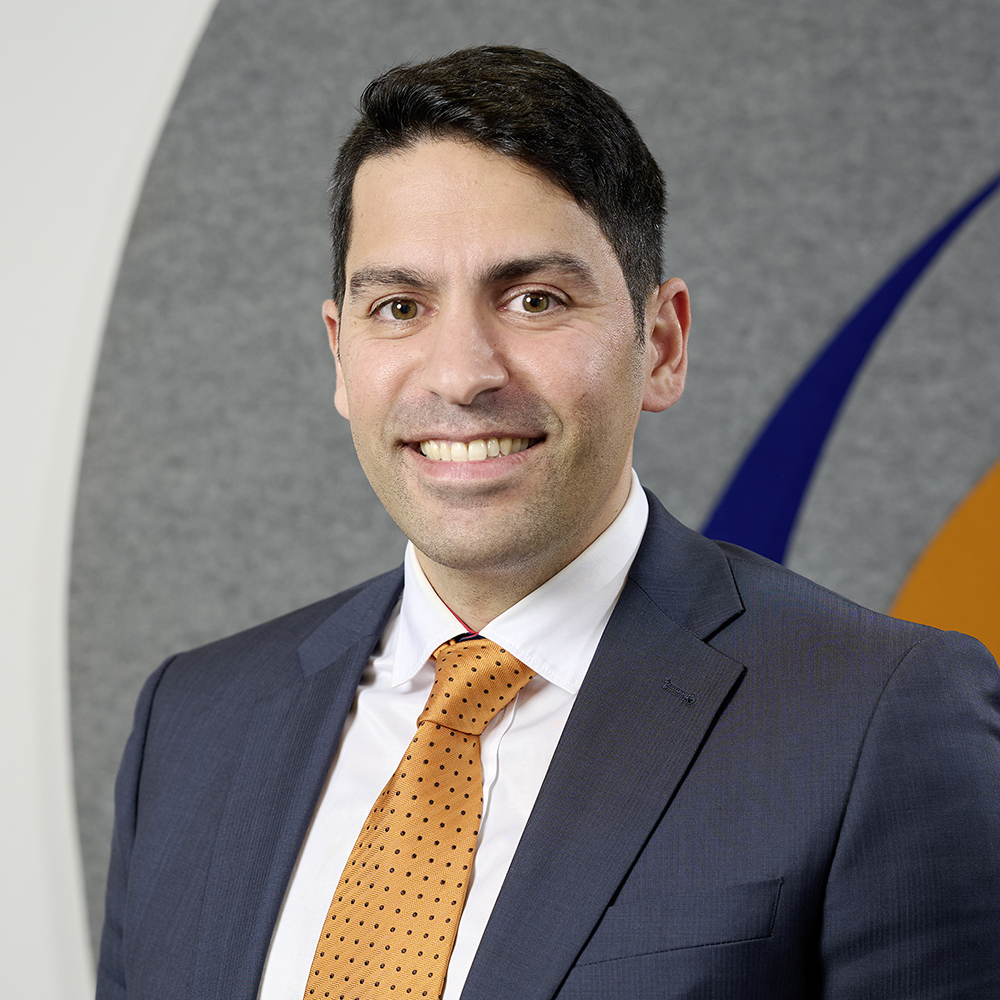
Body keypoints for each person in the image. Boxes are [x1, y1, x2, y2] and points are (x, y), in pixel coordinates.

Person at [97, 46, 1000, 1000]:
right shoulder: (190, 722)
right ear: (340, 352)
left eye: (535, 300)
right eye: (399, 306)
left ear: (660, 344)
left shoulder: (878, 718)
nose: (460, 374)